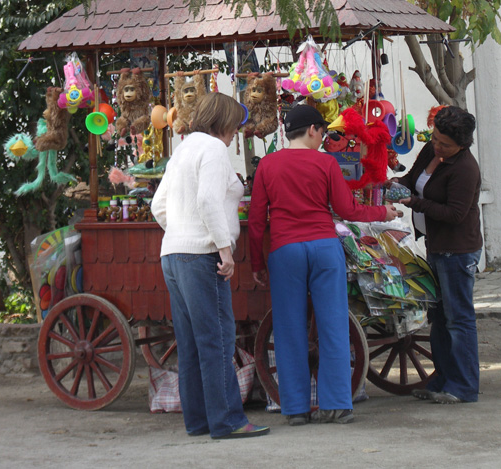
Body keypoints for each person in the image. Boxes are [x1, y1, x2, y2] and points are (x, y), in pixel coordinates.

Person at [248, 104, 400, 426]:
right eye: (323, 133)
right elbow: (348, 210)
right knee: (333, 326)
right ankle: (338, 405)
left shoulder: (267, 165)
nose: (323, 139)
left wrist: (257, 263)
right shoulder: (325, 163)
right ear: (313, 130)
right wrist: (382, 213)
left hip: (285, 251)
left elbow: (257, 220)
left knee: (289, 330)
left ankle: (296, 409)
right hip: (324, 248)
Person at [151, 92, 270, 440]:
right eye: (234, 126)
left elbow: (160, 205)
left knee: (190, 343)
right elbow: (207, 200)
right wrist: (223, 248)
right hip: (202, 256)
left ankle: (199, 420)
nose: (236, 134)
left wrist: (179, 232)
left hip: (172, 253)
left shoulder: (184, 148)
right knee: (217, 338)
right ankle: (229, 420)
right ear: (224, 123)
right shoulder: (215, 150)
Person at [393, 106, 482, 404]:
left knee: (458, 319)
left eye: (445, 145)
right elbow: (412, 179)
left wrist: (414, 203)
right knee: (439, 317)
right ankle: (442, 379)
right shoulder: (431, 152)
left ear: (462, 145)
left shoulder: (465, 169)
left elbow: (455, 214)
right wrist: (393, 187)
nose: (438, 147)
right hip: (435, 245)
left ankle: (465, 386)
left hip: (457, 250)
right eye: (435, 139)